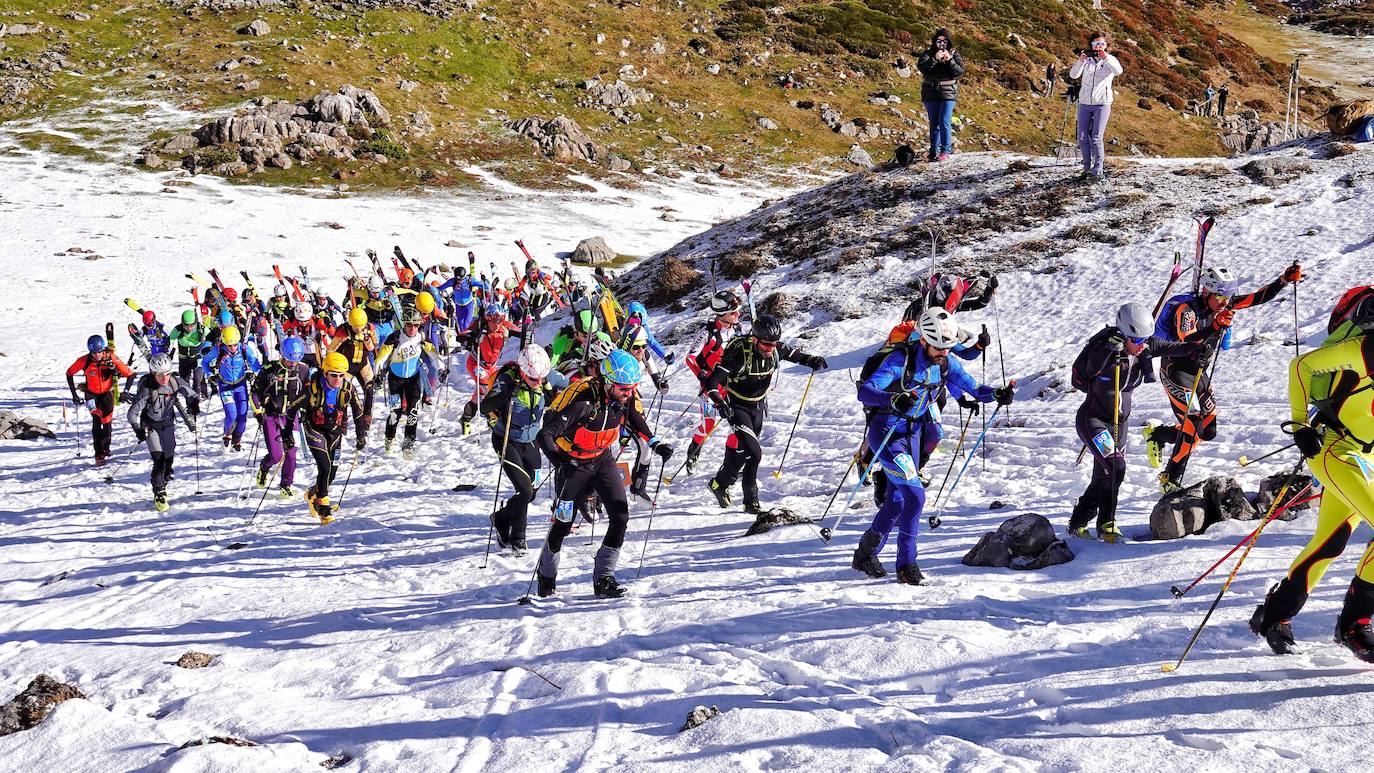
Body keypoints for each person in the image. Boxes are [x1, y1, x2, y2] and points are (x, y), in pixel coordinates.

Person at [1250, 290, 1374, 660]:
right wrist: (1301, 424)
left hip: (1367, 459)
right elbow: (1302, 366)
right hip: (1335, 450)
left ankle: (1274, 615)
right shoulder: (1367, 348)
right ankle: (1355, 623)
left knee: (1330, 542)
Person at [852, 308, 1011, 583]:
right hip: (888, 433)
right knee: (915, 496)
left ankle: (865, 554)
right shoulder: (900, 360)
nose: (943, 353)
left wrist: (997, 393)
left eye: (947, 348)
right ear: (923, 340)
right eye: (938, 347)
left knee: (897, 501)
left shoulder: (946, 363)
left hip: (913, 434)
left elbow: (974, 388)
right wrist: (891, 399)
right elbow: (865, 390)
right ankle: (906, 565)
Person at [1145, 263, 1301, 491]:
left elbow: (1257, 298)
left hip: (1199, 371)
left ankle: (1158, 434)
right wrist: (1214, 326)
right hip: (1175, 371)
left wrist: (1284, 280)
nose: (1225, 301)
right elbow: (1187, 341)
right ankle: (1169, 480)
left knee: (1207, 431)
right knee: (1191, 426)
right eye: (1220, 295)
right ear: (1206, 291)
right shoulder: (1186, 310)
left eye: (1228, 296)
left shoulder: (1225, 302)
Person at [536, 349, 671, 599]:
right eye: (623, 388)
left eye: (632, 387)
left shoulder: (623, 396)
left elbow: (632, 416)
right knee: (563, 524)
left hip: (603, 460)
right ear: (608, 382)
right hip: (575, 465)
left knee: (620, 516)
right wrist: (560, 463)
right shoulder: (583, 403)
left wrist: (654, 442)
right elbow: (544, 435)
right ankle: (546, 575)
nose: (628, 393)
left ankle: (604, 579)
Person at [1068, 304, 1197, 541]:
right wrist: (1107, 352)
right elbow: (1079, 378)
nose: (1142, 346)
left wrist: (1199, 350)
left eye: (1145, 340)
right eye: (1136, 341)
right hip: (1094, 419)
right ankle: (1081, 519)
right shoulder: (1102, 346)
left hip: (1120, 423)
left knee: (1107, 475)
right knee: (1116, 467)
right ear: (1124, 335)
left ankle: (1104, 524)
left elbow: (1178, 348)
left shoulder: (1144, 347)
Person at [704, 314, 828, 514]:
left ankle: (719, 484)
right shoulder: (739, 354)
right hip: (737, 406)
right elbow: (711, 383)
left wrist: (812, 360)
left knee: (744, 451)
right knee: (755, 453)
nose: (771, 348)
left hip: (758, 406)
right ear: (754, 339)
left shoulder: (774, 347)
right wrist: (720, 403)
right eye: (766, 344)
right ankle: (750, 500)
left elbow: (795, 355)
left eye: (774, 344)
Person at [480, 345, 569, 553]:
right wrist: (504, 395)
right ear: (523, 372)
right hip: (507, 439)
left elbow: (571, 386)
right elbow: (484, 407)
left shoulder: (545, 375)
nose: (539, 383)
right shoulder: (507, 379)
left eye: (541, 379)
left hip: (532, 440)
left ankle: (501, 518)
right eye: (533, 379)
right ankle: (518, 536)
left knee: (531, 493)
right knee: (525, 489)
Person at [284, 352, 367, 523]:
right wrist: (286, 433)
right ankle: (323, 509)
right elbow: (292, 409)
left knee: (332, 473)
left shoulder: (348, 388)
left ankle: (314, 493)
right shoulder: (311, 387)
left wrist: (361, 435)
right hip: (314, 429)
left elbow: (358, 412)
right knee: (324, 467)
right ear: (325, 373)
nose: (338, 379)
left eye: (341, 375)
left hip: (335, 432)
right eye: (333, 375)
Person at [684, 290, 744, 473]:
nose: (738, 315)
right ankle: (693, 454)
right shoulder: (707, 333)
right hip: (710, 387)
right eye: (734, 312)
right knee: (708, 425)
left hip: (731, 386)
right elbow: (690, 358)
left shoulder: (738, 329)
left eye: (738, 311)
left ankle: (731, 466)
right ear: (722, 314)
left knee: (738, 426)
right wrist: (704, 377)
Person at [127, 354, 195, 511]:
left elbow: (191, 394)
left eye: (167, 374)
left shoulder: (174, 382)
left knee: (169, 456)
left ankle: (164, 479)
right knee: (159, 459)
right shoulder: (147, 389)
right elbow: (132, 413)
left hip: (168, 424)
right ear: (153, 374)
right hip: (150, 425)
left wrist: (194, 403)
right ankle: (159, 492)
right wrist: (138, 429)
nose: (164, 378)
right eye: (160, 375)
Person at [375, 307, 441, 455]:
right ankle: (389, 437)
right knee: (395, 413)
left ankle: (408, 445)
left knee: (412, 413)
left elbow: (434, 356)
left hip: (413, 379)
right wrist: (377, 374)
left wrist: (441, 369)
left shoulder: (422, 337)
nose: (412, 328)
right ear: (404, 324)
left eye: (416, 325)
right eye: (409, 324)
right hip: (395, 380)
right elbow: (380, 359)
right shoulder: (395, 338)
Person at [251, 335, 310, 499]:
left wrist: (305, 412)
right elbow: (254, 393)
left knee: (291, 453)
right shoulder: (269, 370)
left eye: (295, 361)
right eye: (289, 360)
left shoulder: (303, 370)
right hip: (271, 416)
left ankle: (286, 485)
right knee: (276, 456)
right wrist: (257, 412)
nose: (292, 364)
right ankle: (264, 466)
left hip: (291, 418)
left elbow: (307, 394)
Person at [66, 334, 133, 465]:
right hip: (91, 395)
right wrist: (74, 394)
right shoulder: (84, 360)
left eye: (99, 352)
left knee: (107, 423)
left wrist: (126, 391)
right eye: (94, 353)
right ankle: (99, 454)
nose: (97, 355)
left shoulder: (111, 358)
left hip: (107, 394)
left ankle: (106, 448)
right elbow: (69, 373)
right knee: (96, 421)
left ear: (104, 350)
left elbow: (129, 374)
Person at [1068, 31, 1123, 181]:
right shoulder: (1087, 60)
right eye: (1096, 44)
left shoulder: (1110, 60)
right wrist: (1080, 61)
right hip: (1085, 102)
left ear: (1106, 45)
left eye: (1102, 44)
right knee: (1082, 136)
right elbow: (1073, 75)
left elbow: (1119, 71)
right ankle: (1086, 168)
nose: (1099, 47)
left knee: (1096, 137)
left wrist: (1106, 59)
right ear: (1091, 45)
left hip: (1102, 103)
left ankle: (1097, 170)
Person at [201, 325, 262, 450]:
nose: (233, 348)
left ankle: (237, 439)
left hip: (240, 385)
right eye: (229, 345)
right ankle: (227, 434)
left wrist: (254, 375)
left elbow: (256, 365)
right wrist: (211, 375)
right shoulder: (219, 350)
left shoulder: (244, 349)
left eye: (235, 344)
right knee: (232, 414)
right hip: (225, 386)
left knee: (243, 416)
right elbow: (204, 362)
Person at [916, 28, 964, 162]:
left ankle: (945, 151)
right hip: (930, 92)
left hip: (948, 92)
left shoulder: (954, 54)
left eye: (944, 40)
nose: (942, 43)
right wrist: (934, 59)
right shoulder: (928, 53)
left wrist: (950, 61)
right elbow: (922, 67)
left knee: (944, 120)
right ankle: (934, 151)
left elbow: (959, 71)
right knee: (934, 122)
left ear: (948, 42)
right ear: (935, 41)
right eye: (939, 40)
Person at [327, 306, 379, 429]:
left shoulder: (370, 328)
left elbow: (372, 347)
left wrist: (366, 338)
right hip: (347, 366)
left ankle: (366, 416)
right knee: (343, 392)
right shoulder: (343, 331)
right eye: (356, 327)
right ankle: (342, 418)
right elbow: (331, 349)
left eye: (360, 326)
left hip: (363, 364)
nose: (358, 329)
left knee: (370, 389)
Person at [168, 309, 207, 416]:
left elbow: (211, 339)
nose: (189, 328)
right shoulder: (178, 330)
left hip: (197, 358)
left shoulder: (201, 329)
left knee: (196, 381)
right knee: (185, 383)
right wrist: (169, 351)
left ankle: (196, 405)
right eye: (186, 325)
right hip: (184, 359)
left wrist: (208, 346)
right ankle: (189, 405)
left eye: (192, 325)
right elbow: (170, 340)